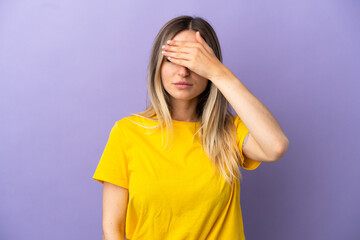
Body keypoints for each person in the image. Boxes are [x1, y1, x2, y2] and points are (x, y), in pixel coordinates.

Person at [92, 15, 289, 240]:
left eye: (194, 61)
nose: (183, 72)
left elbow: (276, 146)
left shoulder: (229, 131)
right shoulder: (128, 132)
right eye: (173, 59)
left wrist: (219, 73)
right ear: (158, 64)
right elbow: (112, 230)